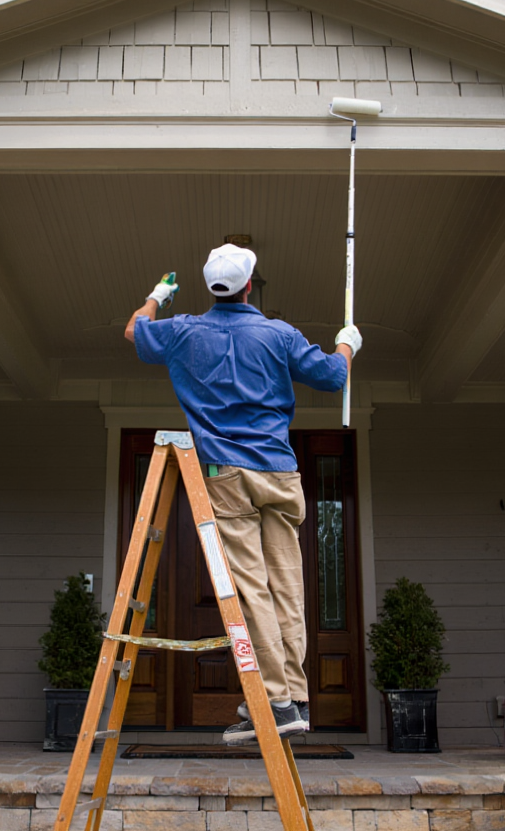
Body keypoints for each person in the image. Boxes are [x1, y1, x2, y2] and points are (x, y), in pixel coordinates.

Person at [124, 243, 362, 744]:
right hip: (279, 472)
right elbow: (334, 375)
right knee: (287, 588)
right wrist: (346, 344)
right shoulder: (277, 333)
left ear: (212, 287)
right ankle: (294, 698)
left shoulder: (184, 330)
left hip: (227, 476)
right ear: (250, 285)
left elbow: (134, 332)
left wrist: (155, 297)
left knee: (252, 590)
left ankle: (276, 703)